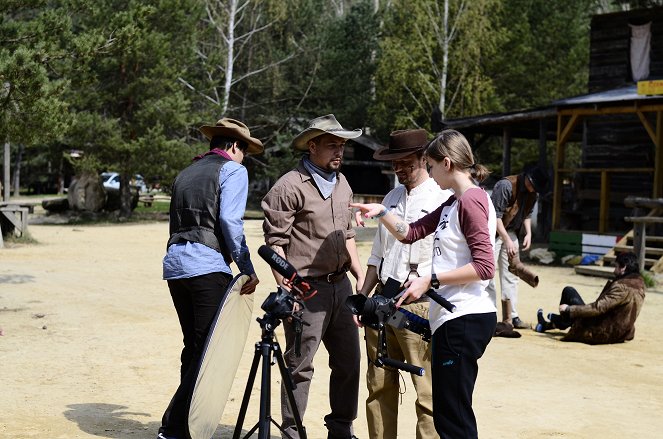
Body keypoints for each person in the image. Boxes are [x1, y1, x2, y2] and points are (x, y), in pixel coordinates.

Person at [351, 129, 497, 439]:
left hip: (456, 312)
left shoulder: (468, 200)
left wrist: (431, 279)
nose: (429, 173)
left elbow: (486, 266)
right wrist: (382, 212)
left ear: (444, 163)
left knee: (446, 412)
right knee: (442, 411)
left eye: (428, 166)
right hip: (433, 312)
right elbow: (411, 232)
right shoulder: (452, 204)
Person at [261, 114, 365, 439]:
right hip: (305, 290)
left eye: (342, 145)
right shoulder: (288, 186)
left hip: (341, 288)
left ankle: (340, 430)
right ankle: (292, 433)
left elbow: (348, 235)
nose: (339, 151)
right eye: (332, 144)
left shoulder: (343, 183)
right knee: (299, 367)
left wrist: (361, 277)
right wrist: (286, 292)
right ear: (312, 145)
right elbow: (275, 245)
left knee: (349, 363)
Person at [158, 118, 262, 439]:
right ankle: (175, 425)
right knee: (207, 351)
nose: (244, 158)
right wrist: (246, 267)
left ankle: (185, 426)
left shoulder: (186, 173)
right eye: (244, 151)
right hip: (207, 266)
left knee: (193, 347)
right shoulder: (233, 170)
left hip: (175, 266)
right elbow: (231, 222)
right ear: (234, 146)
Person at [355, 129, 451, 439]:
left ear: (425, 159)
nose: (399, 170)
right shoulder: (391, 197)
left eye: (406, 163)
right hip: (382, 301)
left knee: (427, 394)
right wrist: (361, 297)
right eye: (395, 163)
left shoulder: (442, 198)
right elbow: (377, 255)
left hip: (418, 307)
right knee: (378, 386)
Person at [486, 165, 549, 330]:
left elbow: (527, 214)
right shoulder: (505, 185)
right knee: (488, 276)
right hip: (492, 233)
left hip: (511, 232)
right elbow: (495, 216)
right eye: (533, 185)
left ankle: (511, 317)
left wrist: (528, 233)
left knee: (512, 274)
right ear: (527, 177)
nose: (534, 189)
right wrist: (506, 239)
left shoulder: (533, 193)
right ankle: (489, 316)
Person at [535, 251, 646, 345]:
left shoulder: (622, 287)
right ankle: (554, 322)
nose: (613, 270)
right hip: (622, 332)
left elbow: (598, 308)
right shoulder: (640, 284)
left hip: (602, 332)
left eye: (616, 266)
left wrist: (569, 309)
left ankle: (557, 321)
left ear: (623, 267)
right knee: (576, 308)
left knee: (569, 292)